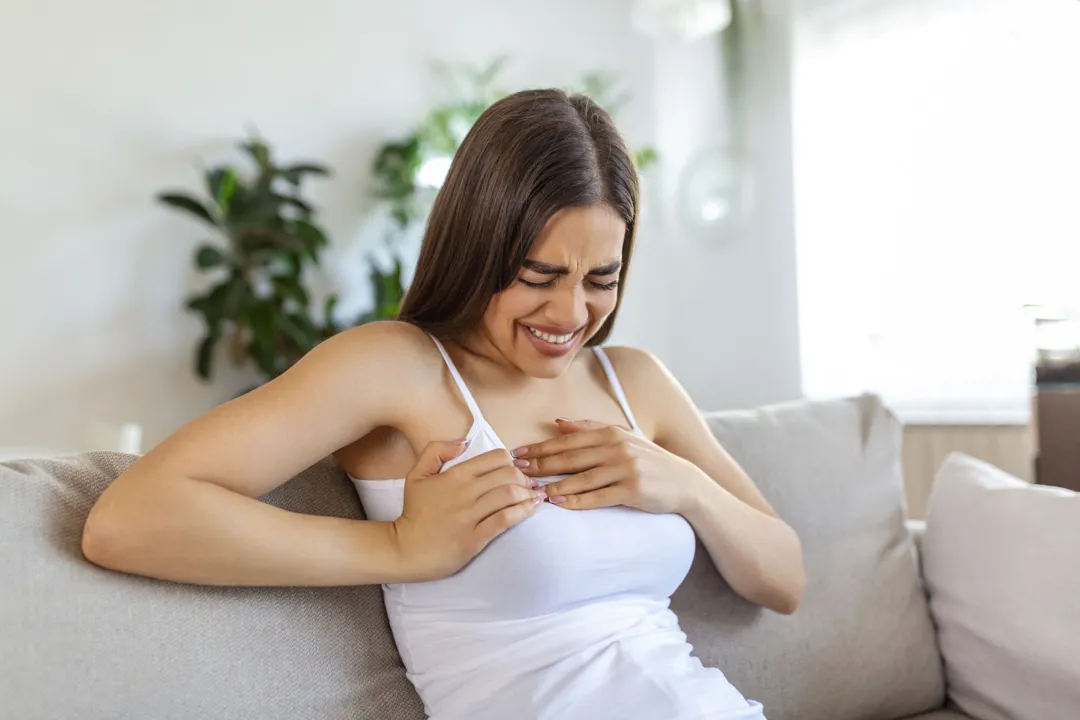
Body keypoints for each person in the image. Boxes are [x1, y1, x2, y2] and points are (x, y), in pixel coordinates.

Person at [82, 88, 805, 720]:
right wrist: (397, 547)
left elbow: (784, 577)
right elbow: (127, 520)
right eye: (539, 274)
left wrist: (681, 483)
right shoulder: (397, 367)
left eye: (601, 278)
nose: (570, 311)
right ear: (478, 246)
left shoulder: (634, 381)